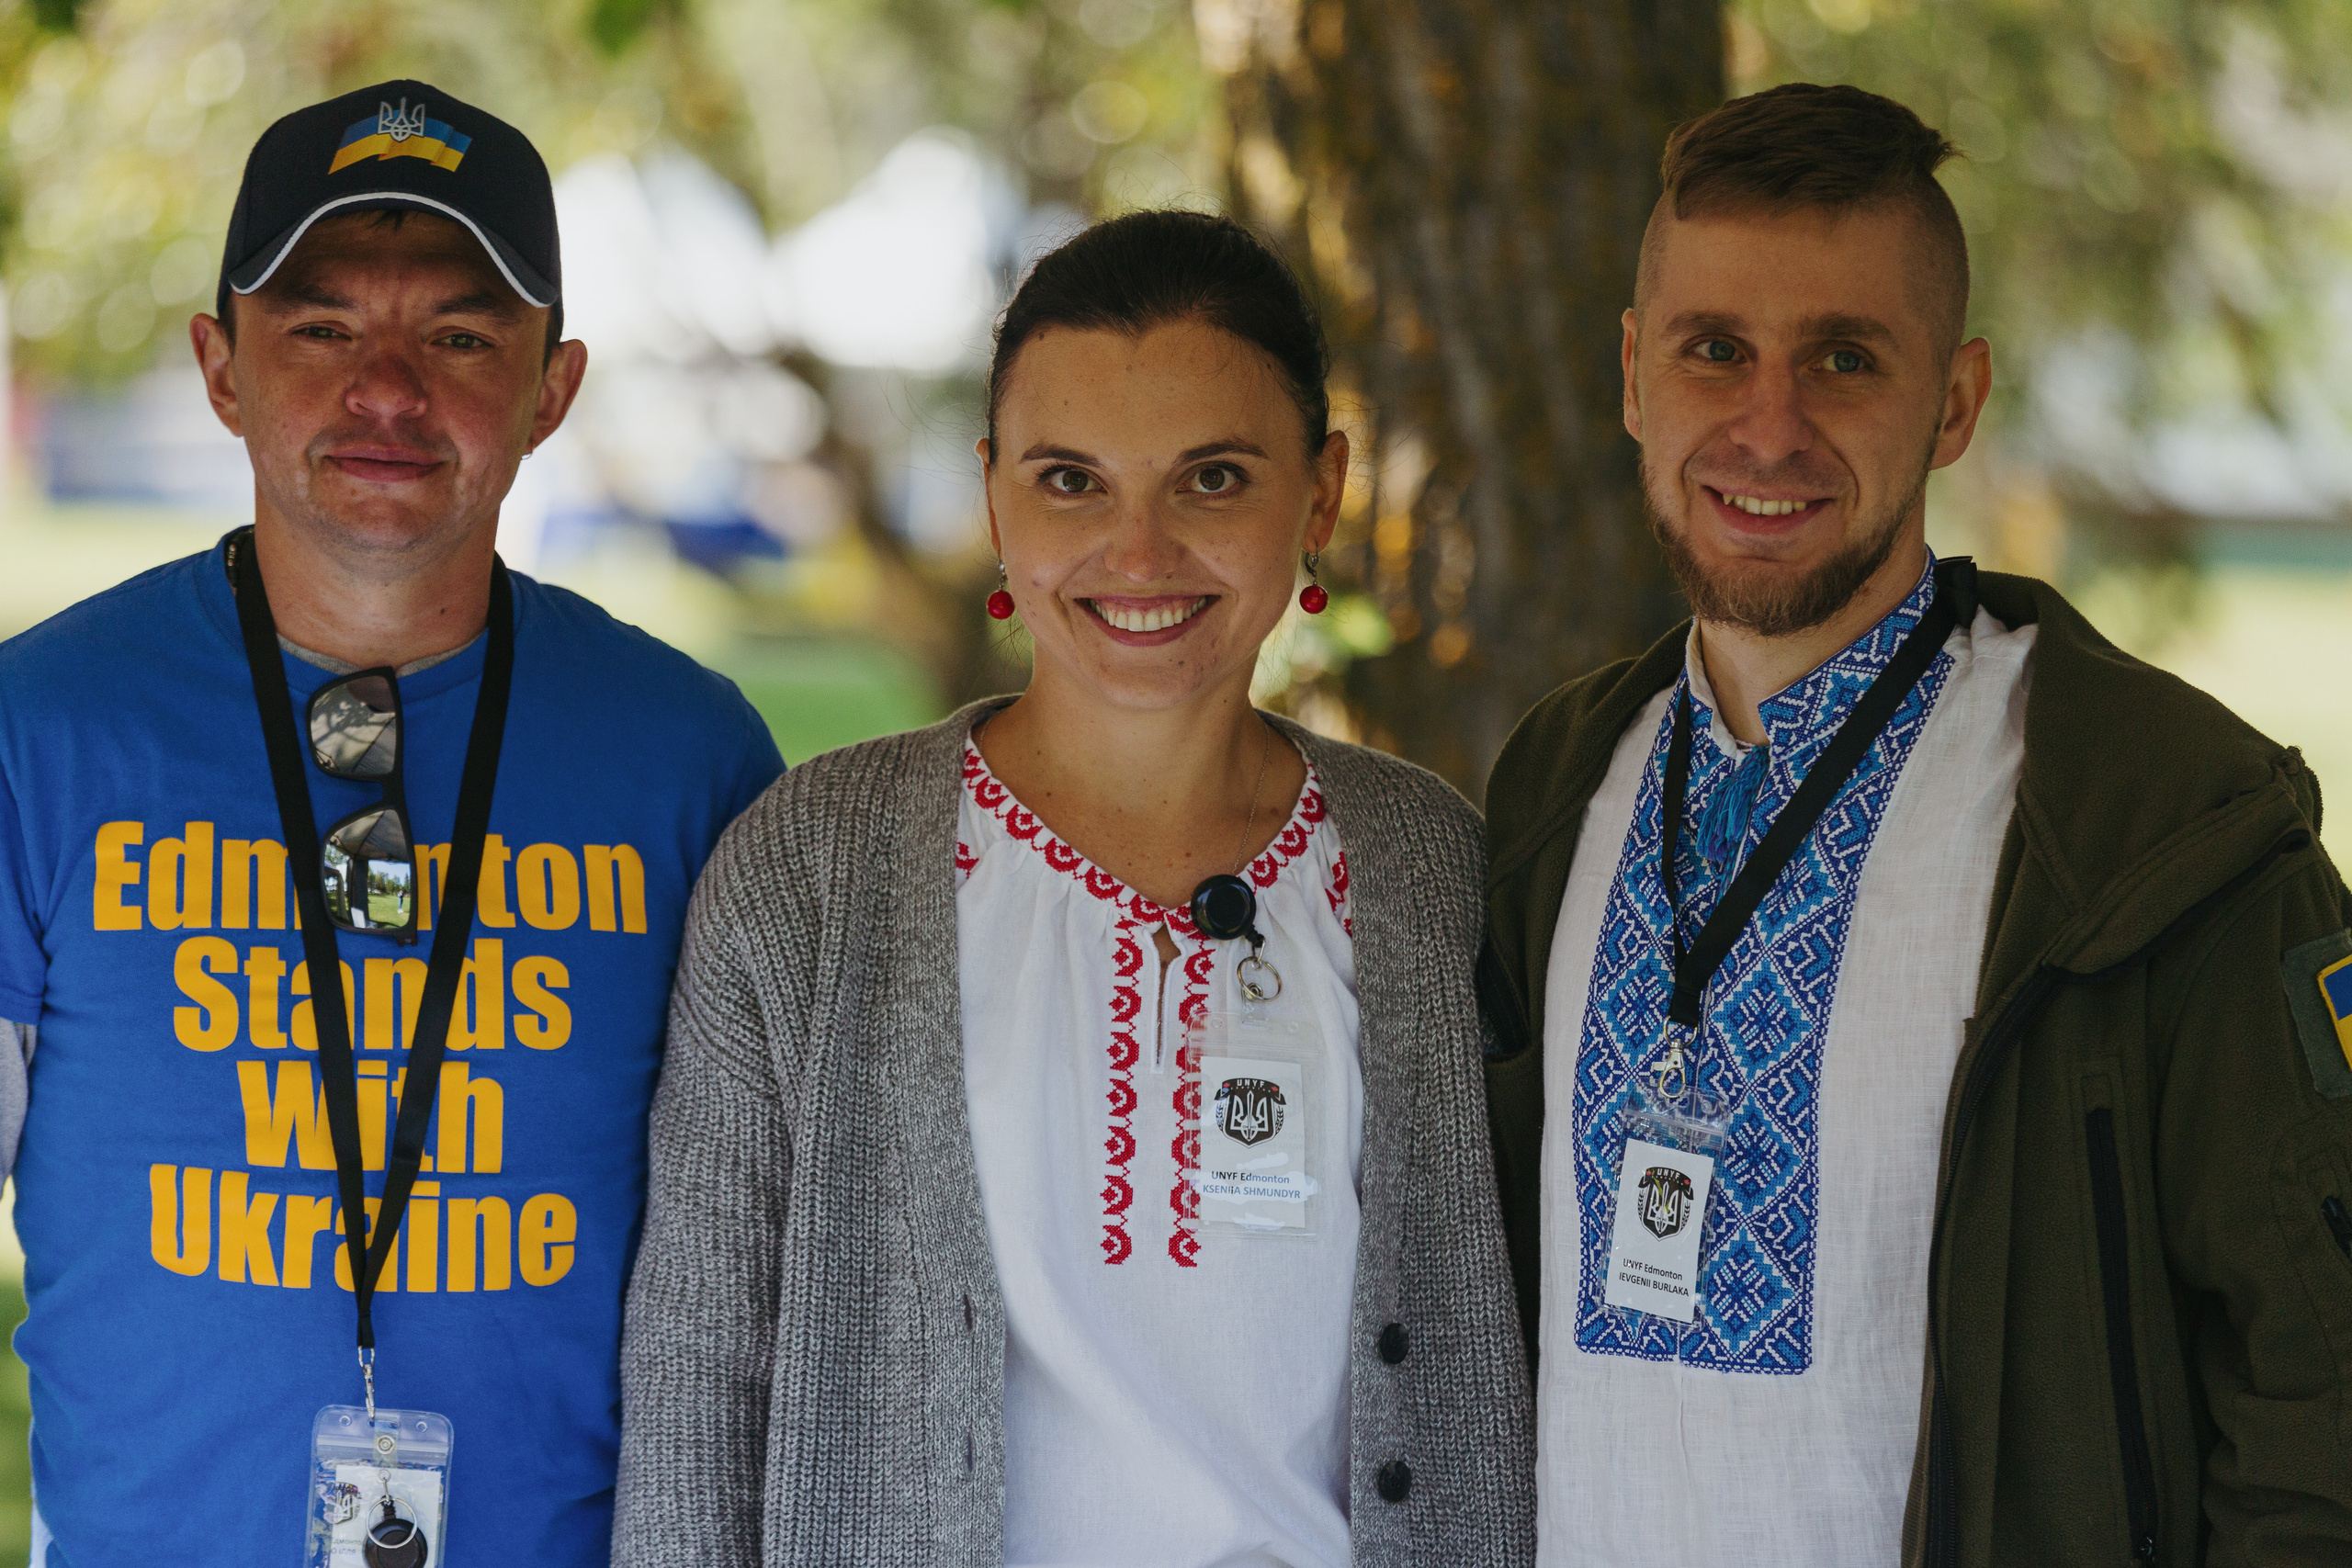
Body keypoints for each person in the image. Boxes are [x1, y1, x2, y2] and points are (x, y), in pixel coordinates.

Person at [1479, 81, 2352, 1566]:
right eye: (1714, 350)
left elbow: (2319, 1382)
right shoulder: (1557, 786)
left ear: (1954, 400)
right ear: (1635, 377)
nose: (1771, 424)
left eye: (1844, 357)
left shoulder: (2155, 826)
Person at [614, 209, 1532, 1565]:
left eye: (1213, 479)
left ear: (1322, 492)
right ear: (992, 496)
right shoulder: (809, 874)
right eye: (1070, 481)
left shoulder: (1433, 877)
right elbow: (697, 1394)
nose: (1140, 552)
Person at [0, 81, 783, 1563]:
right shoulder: (39, 733)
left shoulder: (693, 761)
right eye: (320, 327)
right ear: (221, 369)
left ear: (552, 389)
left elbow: (766, 1261)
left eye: (461, 335)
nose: (388, 388)